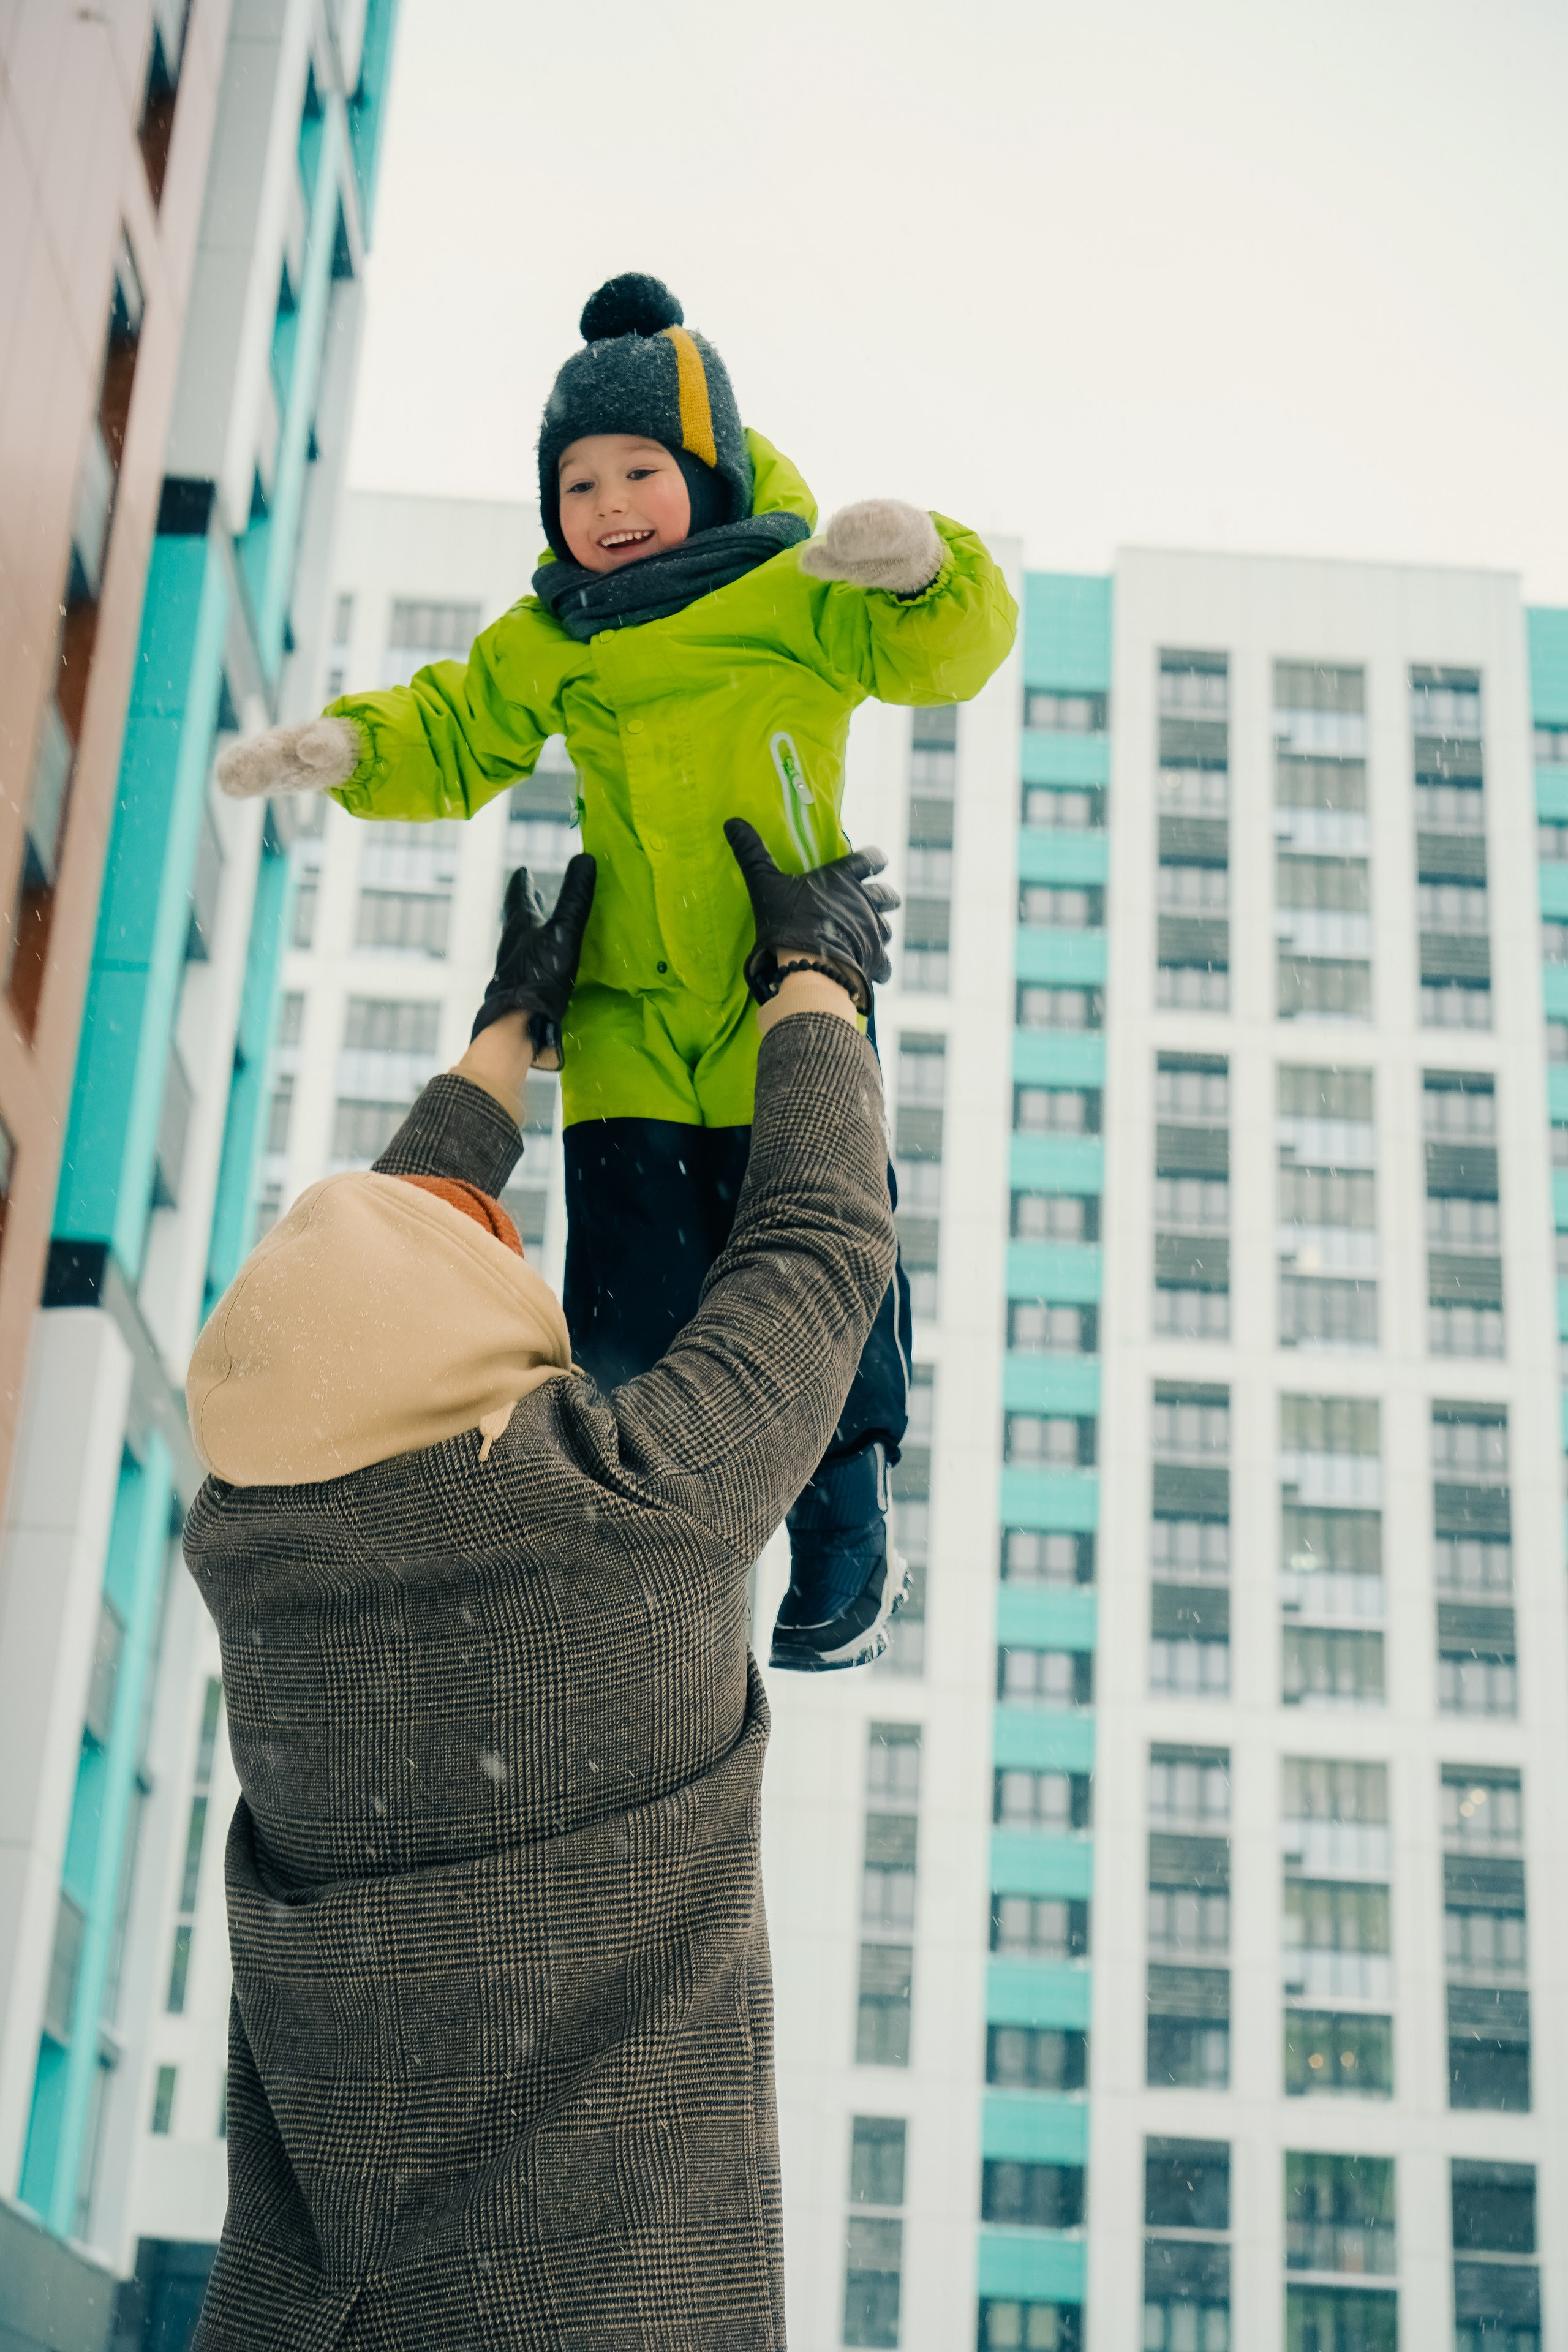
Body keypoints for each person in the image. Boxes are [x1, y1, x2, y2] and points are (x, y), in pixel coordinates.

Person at [218, 271, 1016, 1672]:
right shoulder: (559, 634)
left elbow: (945, 654)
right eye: (577, 483)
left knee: (822, 1254)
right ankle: (650, 1583)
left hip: (792, 979)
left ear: (702, 470)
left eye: (639, 469)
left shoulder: (794, 584)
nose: (608, 503)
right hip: (629, 1017)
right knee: (636, 1316)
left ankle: (844, 1530)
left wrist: (925, 563)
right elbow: (459, 727)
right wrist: (346, 751)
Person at [182, 826, 899, 2350]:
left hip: (320, 2311)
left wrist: (512, 1031)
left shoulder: (249, 1544)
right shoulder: (624, 1510)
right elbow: (818, 1240)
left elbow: (336, 1329)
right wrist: (816, 977)